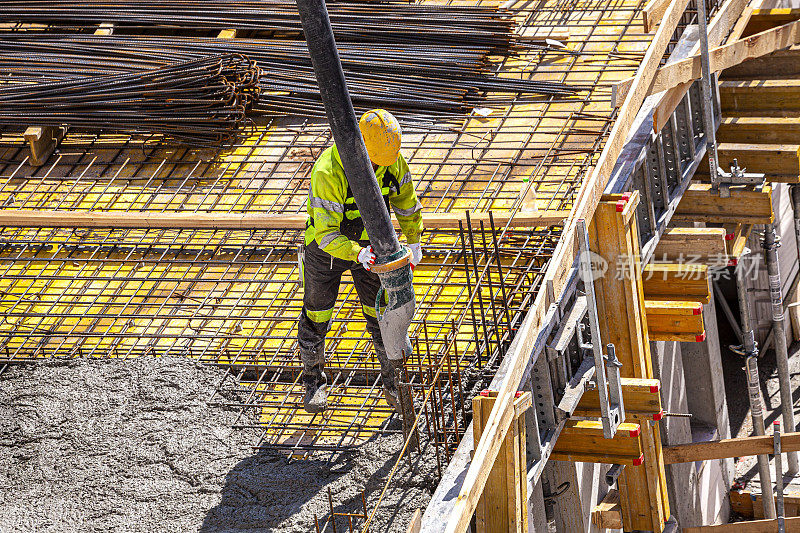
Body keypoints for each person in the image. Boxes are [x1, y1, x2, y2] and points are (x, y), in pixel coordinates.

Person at [299, 109, 423, 414]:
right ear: (361, 148)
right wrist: (355, 252)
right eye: (377, 161)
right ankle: (314, 381)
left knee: (380, 314)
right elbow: (326, 231)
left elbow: (406, 201)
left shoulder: (390, 158)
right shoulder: (328, 170)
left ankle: (393, 386)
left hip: (371, 242)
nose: (383, 165)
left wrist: (415, 238)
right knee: (318, 313)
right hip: (327, 248)